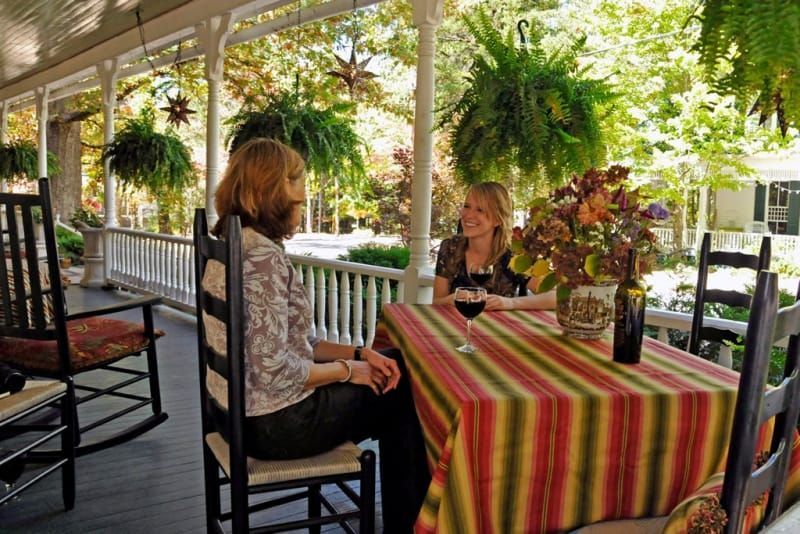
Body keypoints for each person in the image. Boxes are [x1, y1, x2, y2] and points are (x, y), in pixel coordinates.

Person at [203, 138, 430, 533]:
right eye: (297, 188)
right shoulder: (261, 260)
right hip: (276, 424)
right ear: (271, 191)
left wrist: (361, 355)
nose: (303, 197)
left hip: (236, 412)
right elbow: (274, 369)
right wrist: (347, 371)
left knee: (391, 359)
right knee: (405, 389)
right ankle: (409, 524)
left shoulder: (235, 243)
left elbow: (295, 343)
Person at [433, 182, 556, 310]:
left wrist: (510, 303)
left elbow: (555, 296)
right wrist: (449, 300)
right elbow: (437, 301)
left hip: (500, 328)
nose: (468, 215)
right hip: (457, 326)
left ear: (497, 220)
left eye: (480, 210)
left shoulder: (514, 254)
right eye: (467, 206)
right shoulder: (450, 248)